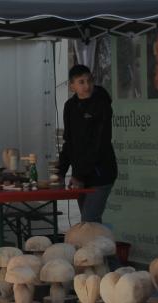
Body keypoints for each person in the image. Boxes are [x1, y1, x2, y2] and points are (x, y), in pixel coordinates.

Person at [56, 65, 117, 224]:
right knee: (89, 222)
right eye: (81, 82)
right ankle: (98, 247)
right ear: (72, 86)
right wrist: (61, 173)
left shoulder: (101, 104)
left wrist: (78, 176)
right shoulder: (70, 107)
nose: (87, 86)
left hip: (101, 172)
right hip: (82, 174)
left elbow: (99, 143)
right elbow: (69, 141)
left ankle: (99, 248)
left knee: (89, 219)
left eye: (89, 81)